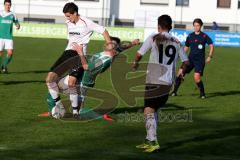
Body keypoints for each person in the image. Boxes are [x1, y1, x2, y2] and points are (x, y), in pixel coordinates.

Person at [132, 15, 189, 153]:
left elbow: (139, 54)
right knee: (154, 109)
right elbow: (186, 62)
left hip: (154, 80)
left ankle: (153, 142)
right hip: (168, 82)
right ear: (171, 27)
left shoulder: (154, 37)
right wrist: (181, 72)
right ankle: (149, 139)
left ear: (158, 26)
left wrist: (135, 63)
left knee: (148, 110)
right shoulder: (176, 41)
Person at [45, 2, 111, 118]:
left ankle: (75, 112)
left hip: (78, 56)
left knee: (71, 84)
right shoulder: (68, 23)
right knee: (49, 79)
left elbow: (104, 31)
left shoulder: (87, 23)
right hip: (67, 54)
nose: (68, 18)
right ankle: (59, 105)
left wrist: (109, 45)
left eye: (69, 16)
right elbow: (69, 39)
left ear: (75, 13)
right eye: (66, 16)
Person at [47, 37, 140, 119]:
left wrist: (80, 53)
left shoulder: (106, 59)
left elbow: (87, 67)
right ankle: (53, 111)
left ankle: (100, 115)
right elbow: (121, 48)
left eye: (111, 43)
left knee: (79, 111)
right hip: (79, 76)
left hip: (84, 82)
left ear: (114, 48)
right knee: (53, 84)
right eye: (108, 42)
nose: (108, 43)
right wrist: (133, 43)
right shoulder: (106, 53)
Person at [171, 18, 214, 99]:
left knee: (196, 78)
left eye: (198, 25)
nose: (196, 27)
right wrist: (181, 56)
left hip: (199, 61)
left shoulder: (204, 36)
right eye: (195, 26)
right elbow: (186, 47)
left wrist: (209, 56)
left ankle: (202, 94)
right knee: (180, 74)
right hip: (189, 60)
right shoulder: (190, 36)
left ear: (201, 26)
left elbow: (211, 45)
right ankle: (174, 92)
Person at [0, 0, 20, 73]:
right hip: (0, 37)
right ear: (4, 5)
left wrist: (18, 25)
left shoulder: (13, 14)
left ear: (10, 6)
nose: (7, 6)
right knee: (0, 53)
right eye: (6, 5)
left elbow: (16, 22)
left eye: (9, 5)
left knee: (10, 53)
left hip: (8, 36)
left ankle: (4, 66)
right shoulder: (0, 13)